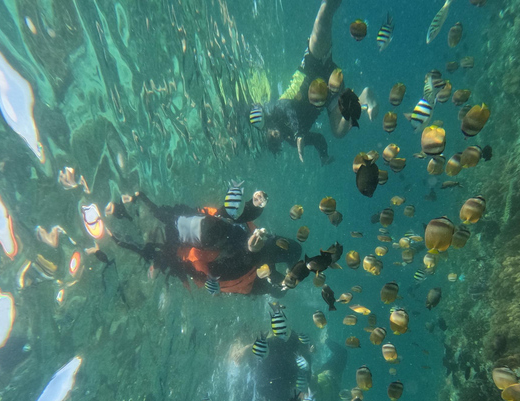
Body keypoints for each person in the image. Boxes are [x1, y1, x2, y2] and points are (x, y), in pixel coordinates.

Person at [107, 190, 300, 295]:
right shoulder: (192, 260)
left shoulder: (192, 218)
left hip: (255, 245)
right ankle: (280, 286)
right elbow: (227, 274)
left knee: (295, 250)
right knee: (280, 290)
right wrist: (250, 251)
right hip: (247, 278)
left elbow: (228, 212)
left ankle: (287, 273)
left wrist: (138, 199)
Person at [263, 0, 377, 165]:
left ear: (268, 128)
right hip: (328, 93)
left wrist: (299, 133)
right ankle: (363, 98)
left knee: (322, 22)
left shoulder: (275, 112)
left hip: (310, 71)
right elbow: (318, 139)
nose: (276, 137)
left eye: (271, 136)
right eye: (276, 142)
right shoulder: (294, 141)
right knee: (338, 132)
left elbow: (286, 106)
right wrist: (323, 155)